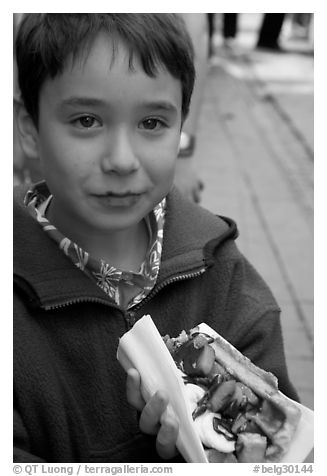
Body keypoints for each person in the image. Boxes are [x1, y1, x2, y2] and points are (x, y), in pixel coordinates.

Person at [14, 13, 299, 463]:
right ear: (29, 128)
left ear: (181, 126)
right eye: (87, 120)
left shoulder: (223, 274)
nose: (122, 160)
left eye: (151, 123)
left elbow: (288, 443)